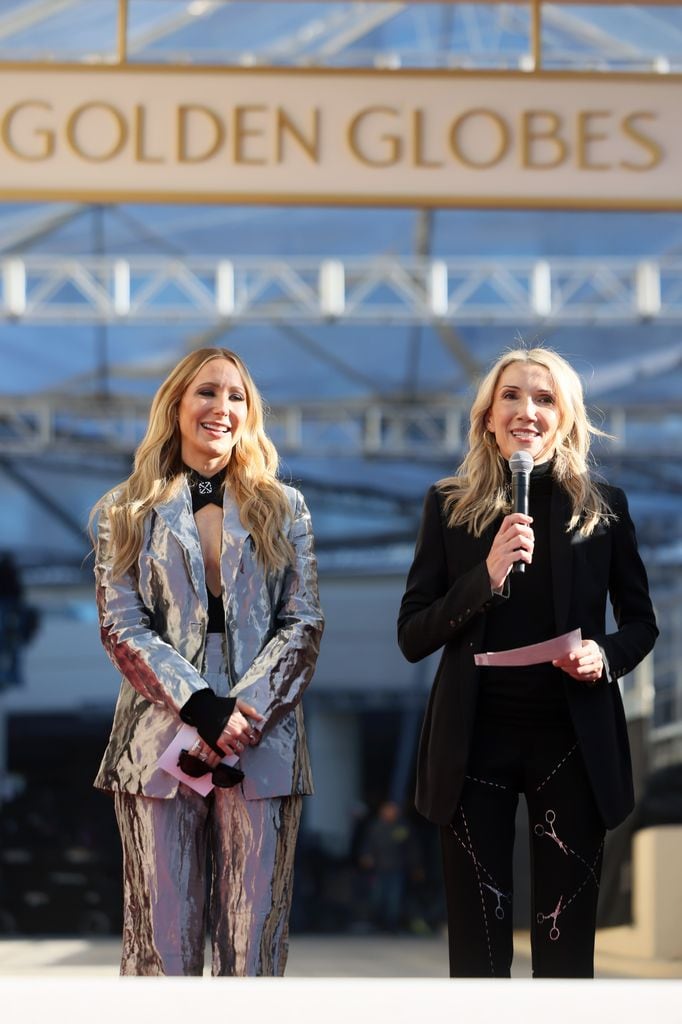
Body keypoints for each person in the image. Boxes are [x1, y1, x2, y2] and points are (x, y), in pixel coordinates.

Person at [397, 346, 657, 979]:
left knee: (565, 947)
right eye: (511, 396)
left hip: (572, 736)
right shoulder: (450, 506)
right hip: (474, 738)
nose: (527, 410)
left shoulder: (605, 508)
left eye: (545, 399)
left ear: (566, 418)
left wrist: (603, 653)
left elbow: (641, 622)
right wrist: (484, 576)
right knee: (479, 949)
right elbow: (413, 633)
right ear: (488, 416)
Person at [90, 347, 324, 977]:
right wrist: (200, 705)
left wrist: (243, 713)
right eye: (206, 392)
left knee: (254, 948)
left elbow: (302, 623)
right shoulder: (126, 509)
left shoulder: (285, 507)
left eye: (236, 396)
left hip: (262, 739)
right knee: (160, 947)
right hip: (158, 741)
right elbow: (121, 625)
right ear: (176, 405)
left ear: (249, 414)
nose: (221, 407)